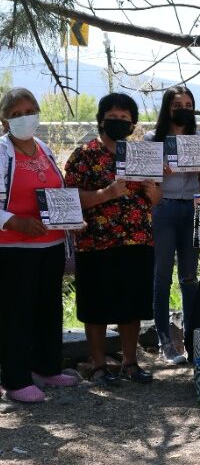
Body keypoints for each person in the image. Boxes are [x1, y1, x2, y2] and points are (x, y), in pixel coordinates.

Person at [65, 93, 161, 385]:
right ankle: (98, 367)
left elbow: (155, 196)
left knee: (132, 305)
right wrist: (105, 194)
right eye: (113, 116)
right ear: (101, 119)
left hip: (137, 240)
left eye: (124, 118)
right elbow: (69, 199)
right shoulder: (85, 154)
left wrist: (155, 196)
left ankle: (130, 364)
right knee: (97, 306)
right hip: (96, 241)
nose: (118, 122)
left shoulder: (141, 154)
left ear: (132, 123)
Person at [0, 88, 80, 402]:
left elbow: (57, 196)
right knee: (15, 313)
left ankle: (46, 367)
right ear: (4, 120)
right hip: (13, 249)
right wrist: (13, 221)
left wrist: (71, 219)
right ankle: (16, 380)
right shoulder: (2, 153)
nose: (24, 118)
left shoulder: (43, 148)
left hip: (51, 245)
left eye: (29, 110)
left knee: (48, 309)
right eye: (16, 113)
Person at [144, 85, 200, 365]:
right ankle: (165, 341)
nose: (183, 109)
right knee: (161, 275)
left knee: (190, 277)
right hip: (164, 208)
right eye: (178, 104)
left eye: (189, 105)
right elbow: (143, 180)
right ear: (167, 108)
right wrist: (158, 172)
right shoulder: (151, 139)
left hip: (192, 207)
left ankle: (193, 340)